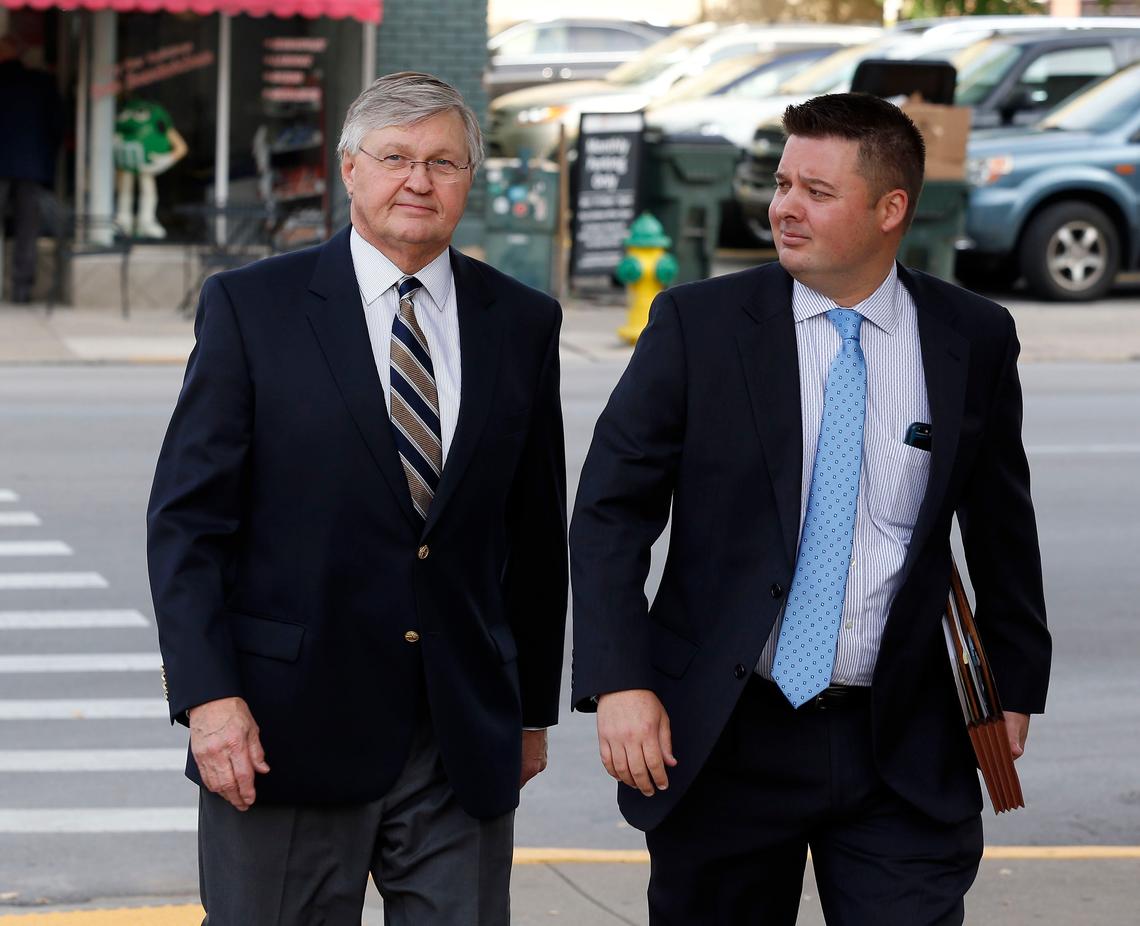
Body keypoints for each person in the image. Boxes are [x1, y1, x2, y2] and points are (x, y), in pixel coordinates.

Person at [570, 92, 1050, 925]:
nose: (784, 206)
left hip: (900, 739)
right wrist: (620, 680)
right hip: (724, 735)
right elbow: (611, 511)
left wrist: (1015, 679)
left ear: (891, 208)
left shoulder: (973, 335)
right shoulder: (698, 325)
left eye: (817, 191)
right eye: (783, 182)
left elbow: (1003, 523)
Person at [147, 71, 567, 925]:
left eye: (445, 162)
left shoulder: (522, 321)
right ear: (349, 169)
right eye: (397, 158)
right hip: (282, 733)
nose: (420, 181)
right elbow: (187, 522)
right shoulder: (252, 306)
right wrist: (207, 698)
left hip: (457, 736)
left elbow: (533, 533)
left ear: (468, 181)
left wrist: (528, 715)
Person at [0, 34, 63, 303]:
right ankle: (21, 290)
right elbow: (58, 125)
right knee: (27, 231)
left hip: (18, 164)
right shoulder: (41, 83)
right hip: (32, 165)